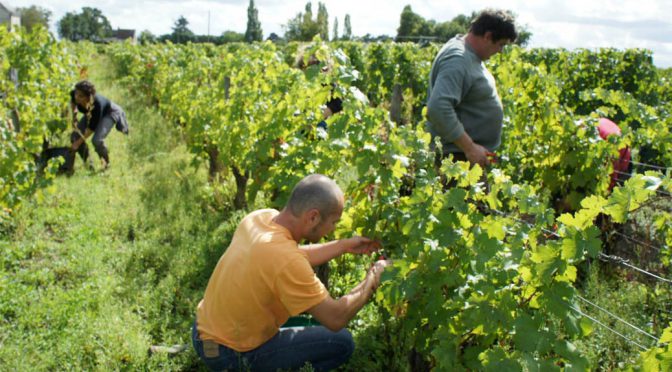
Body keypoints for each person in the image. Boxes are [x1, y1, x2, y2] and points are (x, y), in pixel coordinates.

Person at [192, 174, 391, 371]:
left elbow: (289, 257)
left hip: (202, 332)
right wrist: (373, 277)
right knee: (341, 342)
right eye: (334, 223)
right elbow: (335, 318)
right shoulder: (285, 259)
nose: (333, 229)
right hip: (229, 355)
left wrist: (343, 246)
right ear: (313, 217)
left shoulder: (261, 218)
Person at [426, 9, 517, 168]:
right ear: (488, 36)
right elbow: (438, 107)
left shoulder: (469, 55)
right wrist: (469, 148)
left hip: (466, 156)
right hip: (458, 160)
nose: (501, 51)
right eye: (501, 44)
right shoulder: (458, 59)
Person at [70, 80, 128, 170]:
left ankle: (106, 164)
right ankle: (89, 163)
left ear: (88, 97)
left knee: (96, 140)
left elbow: (91, 129)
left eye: (80, 96)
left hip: (109, 112)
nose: (77, 97)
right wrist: (74, 116)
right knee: (75, 136)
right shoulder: (75, 94)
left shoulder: (96, 105)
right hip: (91, 113)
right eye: (76, 94)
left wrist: (77, 144)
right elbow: (73, 102)